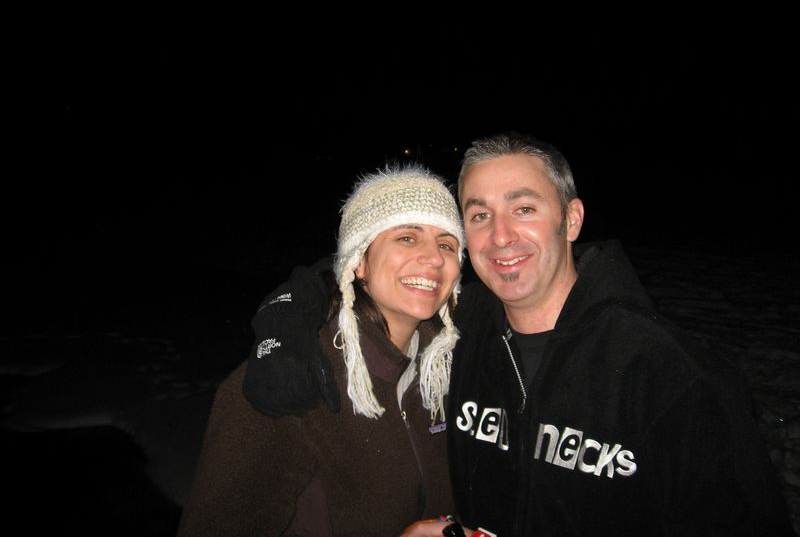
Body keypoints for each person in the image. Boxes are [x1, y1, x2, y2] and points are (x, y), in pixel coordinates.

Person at [243, 133, 794, 536]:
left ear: (571, 219)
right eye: (479, 216)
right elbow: (370, 267)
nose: (501, 236)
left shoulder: (674, 377)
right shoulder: (458, 335)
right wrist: (285, 323)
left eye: (523, 208)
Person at [177, 164, 466, 536]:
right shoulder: (290, 378)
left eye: (447, 244)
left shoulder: (445, 370)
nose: (434, 258)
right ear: (359, 262)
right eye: (407, 237)